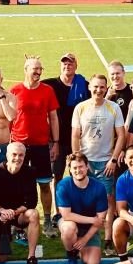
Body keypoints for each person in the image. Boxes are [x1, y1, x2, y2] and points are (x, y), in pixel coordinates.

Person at [73, 74, 126, 251]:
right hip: (86, 162)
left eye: (102, 87)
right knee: (82, 199)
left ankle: (108, 238)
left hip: (105, 163)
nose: (98, 90)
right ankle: (83, 235)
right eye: (95, 86)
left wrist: (113, 159)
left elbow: (121, 135)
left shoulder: (113, 108)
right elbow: (75, 135)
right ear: (90, 87)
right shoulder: (81, 108)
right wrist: (80, 159)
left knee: (108, 200)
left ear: (106, 88)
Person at [10, 56, 61, 238]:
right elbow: (10, 118)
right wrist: (10, 143)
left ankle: (46, 221)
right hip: (19, 145)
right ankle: (16, 223)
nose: (38, 72)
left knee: (44, 184)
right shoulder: (14, 90)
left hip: (41, 145)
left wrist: (55, 143)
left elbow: (53, 117)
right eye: (35, 69)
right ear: (26, 70)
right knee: (17, 185)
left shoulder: (47, 90)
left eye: (40, 69)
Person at [0, 142, 42, 264]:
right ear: (7, 155)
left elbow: (32, 201)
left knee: (34, 214)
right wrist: (2, 211)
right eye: (14, 154)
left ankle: (31, 257)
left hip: (18, 214)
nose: (17, 158)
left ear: (25, 156)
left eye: (21, 155)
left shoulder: (30, 172)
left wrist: (14, 212)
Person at [43, 52, 91, 187]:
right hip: (57, 140)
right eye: (64, 63)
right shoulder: (49, 85)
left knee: (78, 174)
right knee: (56, 175)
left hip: (78, 139)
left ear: (76, 66)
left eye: (70, 63)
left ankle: (76, 200)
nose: (67, 66)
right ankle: (58, 201)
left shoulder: (85, 85)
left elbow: (99, 95)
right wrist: (30, 67)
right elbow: (31, 85)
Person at [56, 152, 108, 264]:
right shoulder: (63, 185)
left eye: (81, 167)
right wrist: (92, 220)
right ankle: (72, 255)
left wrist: (85, 239)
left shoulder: (99, 187)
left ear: (87, 166)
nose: (78, 170)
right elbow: (66, 215)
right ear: (70, 169)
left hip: (90, 228)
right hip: (70, 223)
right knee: (69, 228)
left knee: (93, 263)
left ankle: (79, 246)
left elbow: (100, 219)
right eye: (74, 168)